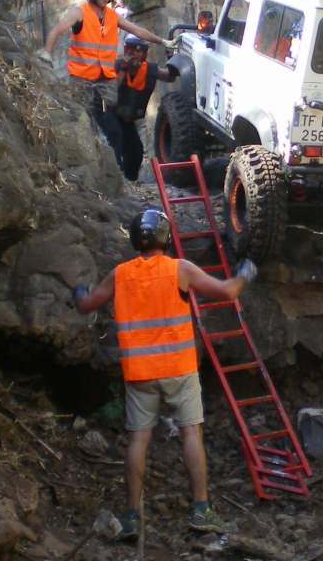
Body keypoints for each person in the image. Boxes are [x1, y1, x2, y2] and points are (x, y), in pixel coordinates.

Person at [73, 209, 258, 540]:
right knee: (190, 434)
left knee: (138, 440)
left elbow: (87, 305)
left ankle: (132, 516)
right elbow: (228, 292)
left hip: (139, 372)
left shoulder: (120, 274)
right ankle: (201, 510)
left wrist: (78, 293)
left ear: (134, 239)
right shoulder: (180, 269)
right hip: (179, 369)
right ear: (166, 238)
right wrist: (245, 273)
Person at [37, 0, 175, 168]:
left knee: (113, 130)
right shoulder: (79, 12)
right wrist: (46, 54)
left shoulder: (111, 16)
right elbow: (56, 30)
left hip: (105, 82)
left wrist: (162, 41)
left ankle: (114, 170)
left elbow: (137, 30)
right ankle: (90, 165)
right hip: (82, 80)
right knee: (83, 124)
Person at [111, 35, 175, 181]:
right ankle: (117, 180)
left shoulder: (151, 69)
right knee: (115, 146)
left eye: (139, 51)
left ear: (144, 54)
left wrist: (172, 58)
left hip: (129, 121)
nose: (134, 54)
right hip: (112, 116)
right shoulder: (117, 66)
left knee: (136, 152)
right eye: (131, 50)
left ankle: (130, 182)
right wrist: (123, 69)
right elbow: (111, 91)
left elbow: (169, 77)